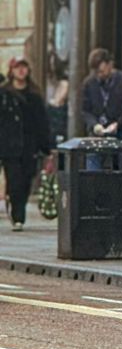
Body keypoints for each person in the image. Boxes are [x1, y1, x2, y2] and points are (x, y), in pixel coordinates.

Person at [2, 58, 51, 231]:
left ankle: (18, 207)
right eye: (18, 68)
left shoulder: (34, 95)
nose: (21, 71)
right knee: (14, 180)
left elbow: (42, 123)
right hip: (9, 146)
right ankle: (18, 217)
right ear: (12, 71)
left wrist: (47, 147)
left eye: (24, 67)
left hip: (30, 146)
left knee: (26, 180)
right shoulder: (4, 94)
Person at [82, 49, 122, 142]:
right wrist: (94, 124)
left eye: (101, 71)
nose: (99, 75)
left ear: (110, 64)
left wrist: (118, 124)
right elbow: (85, 110)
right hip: (97, 134)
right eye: (96, 72)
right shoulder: (89, 83)